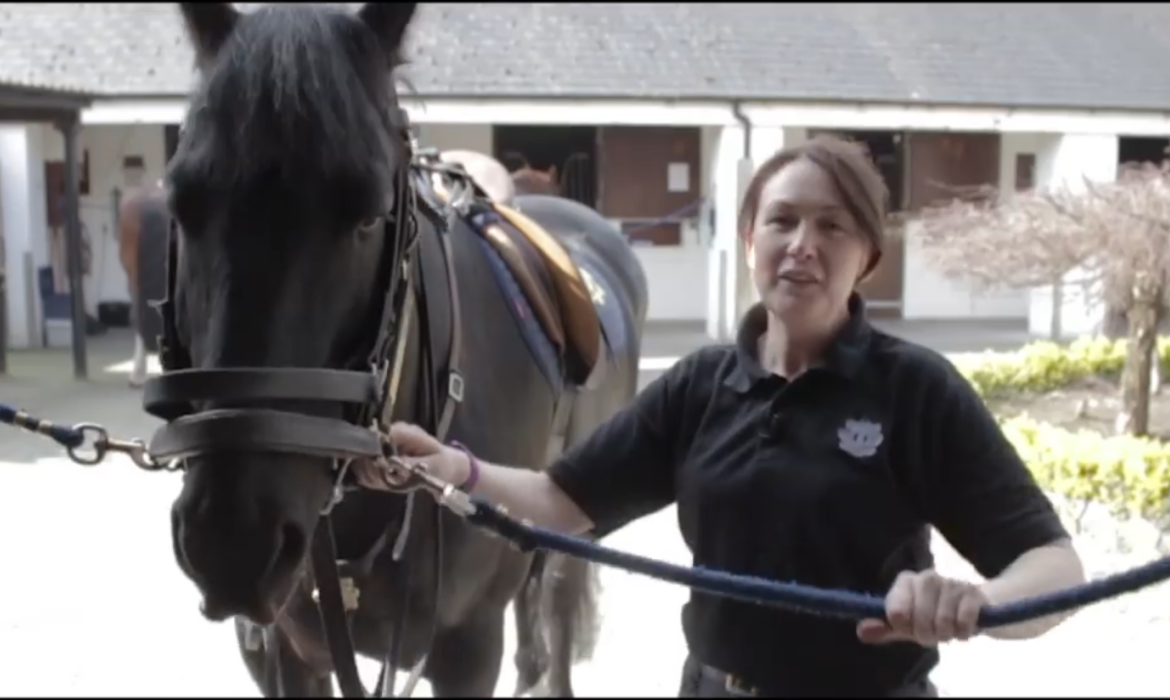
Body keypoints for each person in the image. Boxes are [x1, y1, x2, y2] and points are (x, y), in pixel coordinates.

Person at [357, 135, 1086, 697]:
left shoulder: (915, 391)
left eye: (833, 227)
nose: (803, 244)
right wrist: (458, 470)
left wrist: (975, 601)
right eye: (782, 221)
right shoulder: (703, 385)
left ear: (867, 256)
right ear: (750, 243)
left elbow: (1054, 567)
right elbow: (559, 503)